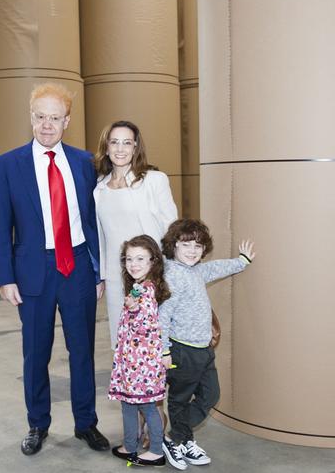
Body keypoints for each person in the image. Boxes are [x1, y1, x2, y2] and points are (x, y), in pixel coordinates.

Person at [0, 83, 109, 456]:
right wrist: (6, 277)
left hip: (76, 266)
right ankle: (37, 424)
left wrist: (100, 270)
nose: (47, 125)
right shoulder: (9, 164)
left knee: (82, 350)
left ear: (67, 121)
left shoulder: (84, 162)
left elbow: (94, 220)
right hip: (33, 270)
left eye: (54, 117)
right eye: (40, 116)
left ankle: (86, 422)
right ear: (31, 117)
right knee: (36, 352)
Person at [158, 219, 256, 470]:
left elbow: (216, 268)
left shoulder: (196, 270)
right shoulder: (171, 275)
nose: (192, 251)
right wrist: (165, 350)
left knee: (211, 395)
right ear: (173, 245)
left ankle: (176, 437)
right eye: (186, 244)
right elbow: (162, 316)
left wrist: (242, 262)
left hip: (203, 349)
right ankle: (179, 439)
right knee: (179, 399)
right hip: (182, 350)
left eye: (198, 246)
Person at [93, 120, 177, 350]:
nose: (120, 149)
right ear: (106, 147)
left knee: (153, 343)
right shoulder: (98, 188)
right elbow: (101, 236)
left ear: (135, 147)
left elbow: (172, 228)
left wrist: (171, 271)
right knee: (122, 344)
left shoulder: (153, 180)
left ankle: (155, 387)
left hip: (151, 277)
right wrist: (100, 276)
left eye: (127, 143)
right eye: (114, 142)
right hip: (116, 276)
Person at [108, 235, 171, 467]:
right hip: (131, 363)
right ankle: (129, 446)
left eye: (140, 259)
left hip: (142, 365)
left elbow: (148, 324)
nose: (133, 264)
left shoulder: (146, 291)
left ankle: (156, 450)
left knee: (147, 406)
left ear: (153, 261)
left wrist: (134, 311)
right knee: (128, 404)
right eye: (129, 259)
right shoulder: (138, 287)